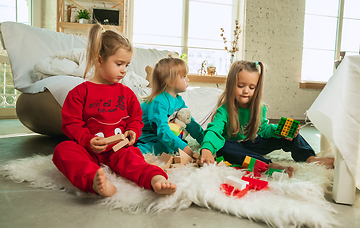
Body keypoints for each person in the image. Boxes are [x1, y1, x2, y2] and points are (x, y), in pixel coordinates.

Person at [52, 24, 176, 197]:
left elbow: (136, 117)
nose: (124, 70)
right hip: (89, 149)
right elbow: (71, 123)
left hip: (120, 149)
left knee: (134, 158)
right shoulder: (79, 93)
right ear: (99, 60)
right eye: (119, 64)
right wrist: (87, 140)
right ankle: (94, 180)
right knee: (63, 150)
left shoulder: (127, 93)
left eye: (127, 64)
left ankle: (154, 178)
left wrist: (133, 130)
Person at [200, 60, 334, 177]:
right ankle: (267, 165)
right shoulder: (224, 110)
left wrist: (280, 131)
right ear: (231, 86)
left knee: (292, 134)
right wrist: (206, 149)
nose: (246, 90)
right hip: (235, 147)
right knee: (223, 148)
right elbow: (214, 130)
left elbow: (263, 130)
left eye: (251, 87)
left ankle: (309, 158)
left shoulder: (260, 108)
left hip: (253, 143)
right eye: (241, 86)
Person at [136, 57, 203, 157]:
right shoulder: (158, 101)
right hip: (144, 135)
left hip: (156, 134)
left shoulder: (178, 100)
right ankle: (132, 152)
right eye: (184, 76)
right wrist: (183, 147)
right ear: (169, 81)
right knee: (164, 148)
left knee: (172, 143)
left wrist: (204, 140)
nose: (188, 79)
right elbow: (162, 130)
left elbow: (190, 122)